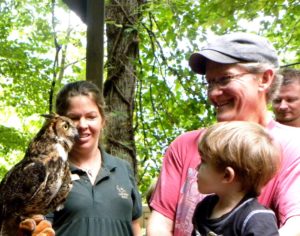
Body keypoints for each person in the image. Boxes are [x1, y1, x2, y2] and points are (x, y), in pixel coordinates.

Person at [147, 32, 300, 236]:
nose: (213, 93)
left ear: (264, 79)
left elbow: (295, 223)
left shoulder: (292, 146)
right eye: (210, 82)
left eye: (225, 79)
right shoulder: (185, 144)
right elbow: (160, 224)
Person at [20, 80, 142, 236]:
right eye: (74, 118)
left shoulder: (123, 169)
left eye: (91, 117)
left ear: (103, 120)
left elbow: (135, 227)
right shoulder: (47, 175)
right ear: (58, 124)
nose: (82, 125)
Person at [192, 121, 280, 235]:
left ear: (227, 175)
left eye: (203, 161)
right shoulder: (204, 207)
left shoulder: (257, 220)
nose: (196, 167)